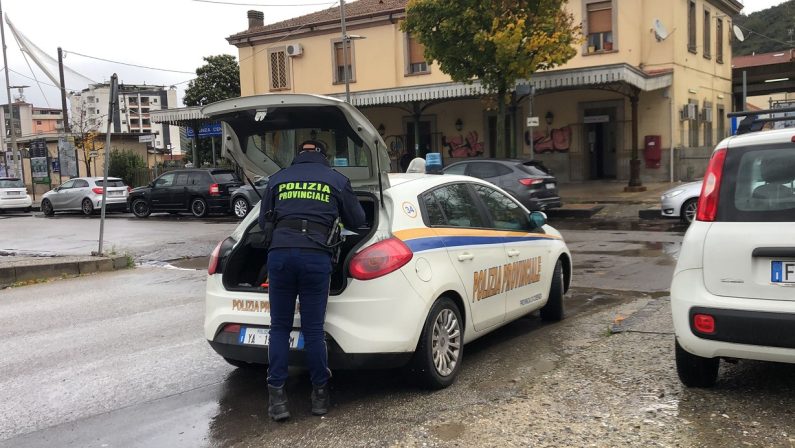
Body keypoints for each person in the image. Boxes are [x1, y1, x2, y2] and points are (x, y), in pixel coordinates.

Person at [258, 139, 366, 421]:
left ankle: (277, 399)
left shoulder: (277, 179)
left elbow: (262, 223)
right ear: (323, 155)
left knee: (279, 327)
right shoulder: (336, 180)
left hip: (279, 256)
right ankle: (319, 396)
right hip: (315, 257)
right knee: (313, 329)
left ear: (298, 156)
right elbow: (358, 220)